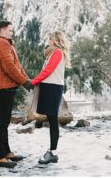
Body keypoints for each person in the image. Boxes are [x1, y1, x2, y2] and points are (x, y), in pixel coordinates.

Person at [0, 20, 34, 168]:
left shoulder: (7, 43)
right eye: (10, 30)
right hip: (2, 88)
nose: (12, 32)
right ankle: (0, 157)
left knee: (5, 121)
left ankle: (6, 152)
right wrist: (24, 82)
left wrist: (26, 80)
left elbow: (17, 65)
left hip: (7, 87)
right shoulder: (2, 44)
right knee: (1, 122)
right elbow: (9, 67)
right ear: (1, 31)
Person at [30, 30, 71, 164]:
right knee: (50, 118)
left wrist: (33, 81)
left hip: (53, 88)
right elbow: (46, 71)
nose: (48, 41)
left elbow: (47, 71)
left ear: (56, 40)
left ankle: (53, 152)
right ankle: (52, 152)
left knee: (53, 120)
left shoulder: (57, 52)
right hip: (49, 87)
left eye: (50, 39)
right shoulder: (52, 53)